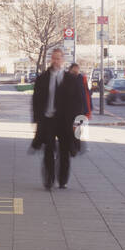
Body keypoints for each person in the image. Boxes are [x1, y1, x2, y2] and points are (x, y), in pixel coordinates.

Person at [31, 49, 84, 190]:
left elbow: (80, 102)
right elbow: (36, 100)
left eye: (58, 58)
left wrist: (78, 123)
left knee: (64, 151)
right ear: (51, 59)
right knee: (48, 149)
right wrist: (36, 120)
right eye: (54, 58)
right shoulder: (42, 78)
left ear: (63, 60)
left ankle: (62, 180)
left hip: (65, 122)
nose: (56, 61)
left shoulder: (71, 79)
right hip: (48, 120)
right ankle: (49, 179)